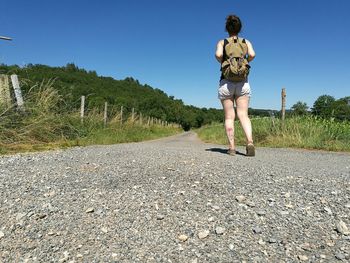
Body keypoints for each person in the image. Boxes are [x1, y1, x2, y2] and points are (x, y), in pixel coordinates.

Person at [215, 14, 256, 156]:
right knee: (243, 115)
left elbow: (219, 55)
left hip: (226, 82)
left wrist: (225, 62)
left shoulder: (222, 42)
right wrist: (244, 62)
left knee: (229, 116)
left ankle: (232, 147)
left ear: (227, 28)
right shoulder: (246, 41)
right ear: (240, 28)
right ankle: (249, 142)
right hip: (243, 82)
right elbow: (252, 54)